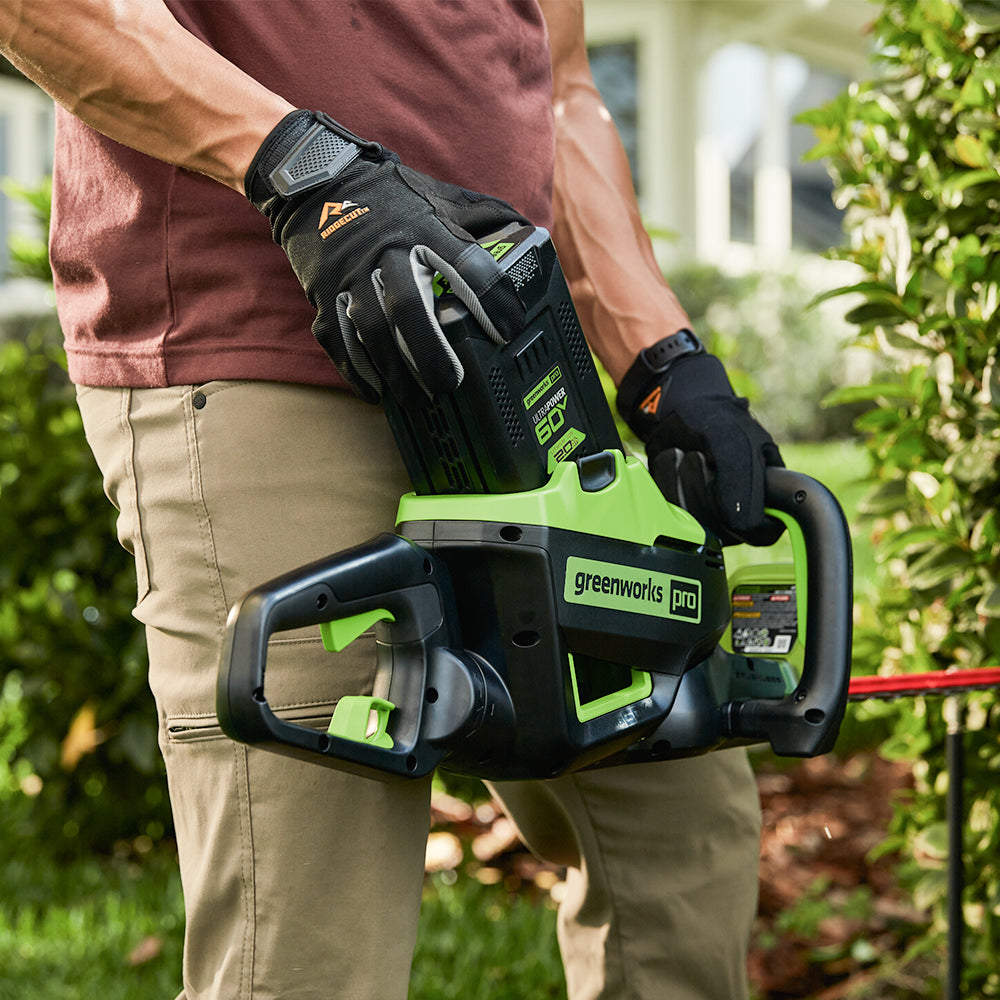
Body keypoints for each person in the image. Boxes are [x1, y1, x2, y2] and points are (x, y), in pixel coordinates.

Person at [1, 2, 779, 998]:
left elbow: (559, 83)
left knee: (679, 842)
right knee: (309, 947)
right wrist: (306, 172)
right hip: (260, 349)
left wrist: (660, 357)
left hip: (505, 362)